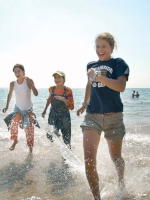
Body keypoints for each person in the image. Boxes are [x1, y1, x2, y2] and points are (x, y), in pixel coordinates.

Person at [76, 32, 130, 199]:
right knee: (89, 161)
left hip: (114, 117)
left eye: (104, 46)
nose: (100, 49)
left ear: (111, 47)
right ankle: (97, 197)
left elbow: (121, 86)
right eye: (97, 46)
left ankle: (121, 182)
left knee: (116, 157)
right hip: (92, 116)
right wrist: (84, 103)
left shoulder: (118, 63)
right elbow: (89, 85)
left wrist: (98, 76)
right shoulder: (90, 65)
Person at [2, 64, 39, 153]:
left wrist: (31, 84)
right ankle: (15, 141)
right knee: (13, 123)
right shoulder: (13, 84)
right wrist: (6, 106)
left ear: (23, 72)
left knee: (29, 130)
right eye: (15, 72)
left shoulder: (28, 81)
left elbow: (36, 93)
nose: (17, 73)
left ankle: (30, 149)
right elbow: (9, 95)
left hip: (28, 110)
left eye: (19, 71)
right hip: (18, 109)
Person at [41, 71, 74, 149]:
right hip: (53, 114)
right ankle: (57, 148)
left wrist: (63, 99)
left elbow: (71, 107)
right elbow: (49, 99)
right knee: (49, 134)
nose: (57, 79)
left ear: (64, 79)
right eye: (55, 77)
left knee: (67, 138)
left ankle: (67, 157)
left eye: (59, 77)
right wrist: (45, 110)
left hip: (64, 115)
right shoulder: (51, 89)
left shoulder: (68, 90)